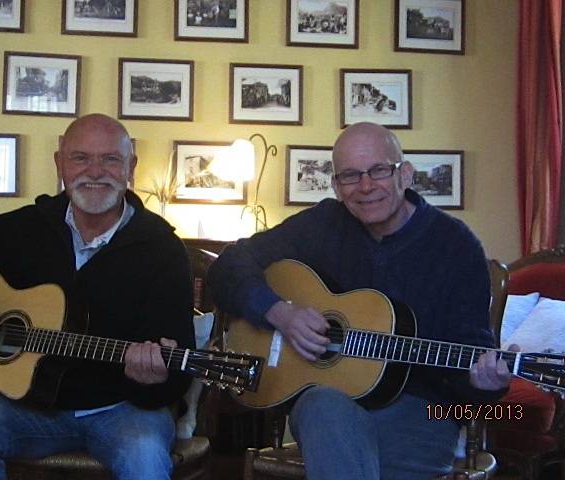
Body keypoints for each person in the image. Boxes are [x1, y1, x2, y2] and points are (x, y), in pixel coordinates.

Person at [207, 122, 512, 480]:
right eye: (350, 176)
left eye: (379, 170)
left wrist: (483, 383)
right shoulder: (322, 224)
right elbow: (227, 267)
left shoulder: (456, 247)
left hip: (420, 412)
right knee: (323, 408)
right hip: (326, 408)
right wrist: (278, 312)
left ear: (406, 174)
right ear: (337, 186)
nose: (366, 186)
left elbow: (469, 363)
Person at [0, 113, 195, 480]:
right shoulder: (26, 227)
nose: (95, 171)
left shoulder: (163, 249)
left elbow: (177, 374)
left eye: (110, 159)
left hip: (123, 410)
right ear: (60, 163)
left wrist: (149, 379)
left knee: (144, 456)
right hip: (31, 408)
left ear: (131, 167)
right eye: (81, 157)